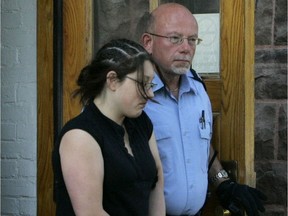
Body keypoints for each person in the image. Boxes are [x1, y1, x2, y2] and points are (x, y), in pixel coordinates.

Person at [138, 3, 267, 216]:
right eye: (175, 38)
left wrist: (223, 183)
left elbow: (200, 147)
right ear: (148, 42)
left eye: (192, 40)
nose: (186, 48)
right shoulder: (135, 94)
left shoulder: (198, 89)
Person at [52, 38, 165, 216]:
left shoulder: (142, 122)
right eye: (143, 83)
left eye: (151, 84)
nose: (150, 93)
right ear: (112, 80)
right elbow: (91, 213)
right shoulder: (80, 136)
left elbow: (157, 180)